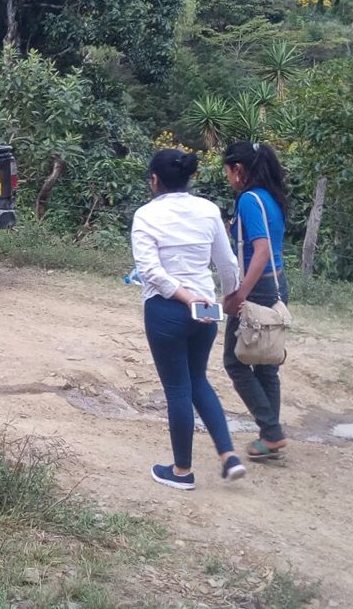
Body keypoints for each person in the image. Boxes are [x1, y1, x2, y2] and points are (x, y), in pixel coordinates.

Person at [130, 149, 246, 490]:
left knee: (178, 388)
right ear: (189, 178)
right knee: (199, 380)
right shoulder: (208, 211)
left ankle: (182, 471)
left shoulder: (145, 216)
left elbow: (151, 271)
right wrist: (229, 296)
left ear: (154, 180)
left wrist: (183, 296)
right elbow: (227, 264)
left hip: (166, 309)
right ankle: (228, 455)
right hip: (206, 309)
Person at [221, 140, 291, 462]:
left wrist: (239, 296)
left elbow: (259, 252)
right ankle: (269, 437)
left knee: (235, 362)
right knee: (266, 365)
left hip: (257, 289)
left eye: (227, 171)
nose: (227, 178)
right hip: (277, 285)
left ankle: (272, 432)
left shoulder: (248, 200)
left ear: (238, 169)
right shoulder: (271, 198)